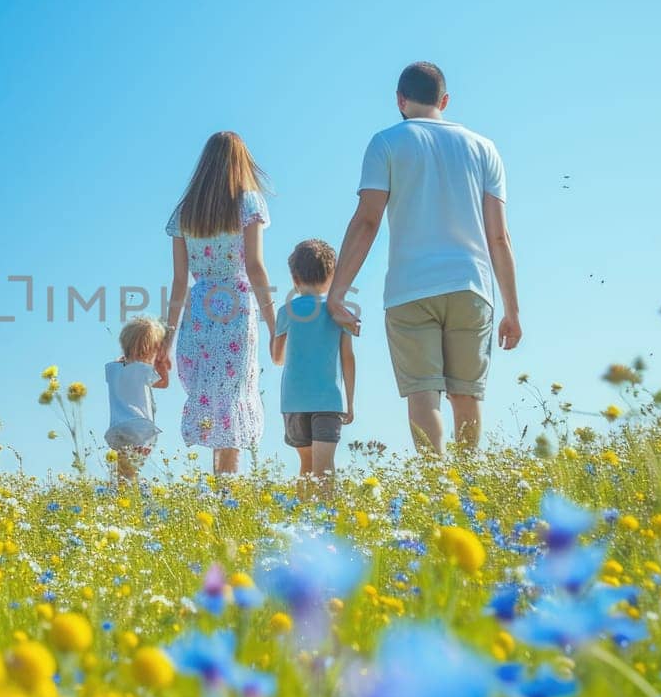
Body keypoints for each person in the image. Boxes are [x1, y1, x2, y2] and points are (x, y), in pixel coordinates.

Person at [327, 62, 521, 453]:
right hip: (471, 286)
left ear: (400, 100)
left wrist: (338, 291)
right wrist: (512, 310)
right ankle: (468, 493)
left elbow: (367, 222)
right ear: (445, 101)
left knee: (423, 395)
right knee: (466, 396)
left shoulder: (386, 143)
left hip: (409, 288)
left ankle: (436, 489)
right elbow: (498, 236)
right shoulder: (484, 148)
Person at [159, 131, 278, 474]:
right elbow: (255, 267)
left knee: (212, 399)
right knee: (233, 396)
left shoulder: (185, 213)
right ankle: (227, 490)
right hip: (236, 309)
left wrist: (167, 341)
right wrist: (274, 326)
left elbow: (179, 282)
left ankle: (220, 488)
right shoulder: (249, 203)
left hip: (199, 312)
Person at [270, 239, 355, 494]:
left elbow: (277, 358)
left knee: (306, 466)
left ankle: (304, 524)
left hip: (294, 402)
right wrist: (350, 402)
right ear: (332, 276)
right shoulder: (339, 312)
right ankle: (327, 523)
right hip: (329, 400)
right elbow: (348, 358)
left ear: (295, 277)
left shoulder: (286, 311)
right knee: (325, 468)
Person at [104, 316, 171, 482]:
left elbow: (125, 377)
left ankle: (120, 493)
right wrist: (161, 365)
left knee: (122, 467)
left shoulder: (113, 368)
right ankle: (129, 493)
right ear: (149, 350)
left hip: (118, 427)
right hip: (139, 427)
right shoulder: (143, 370)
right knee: (132, 467)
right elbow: (163, 384)